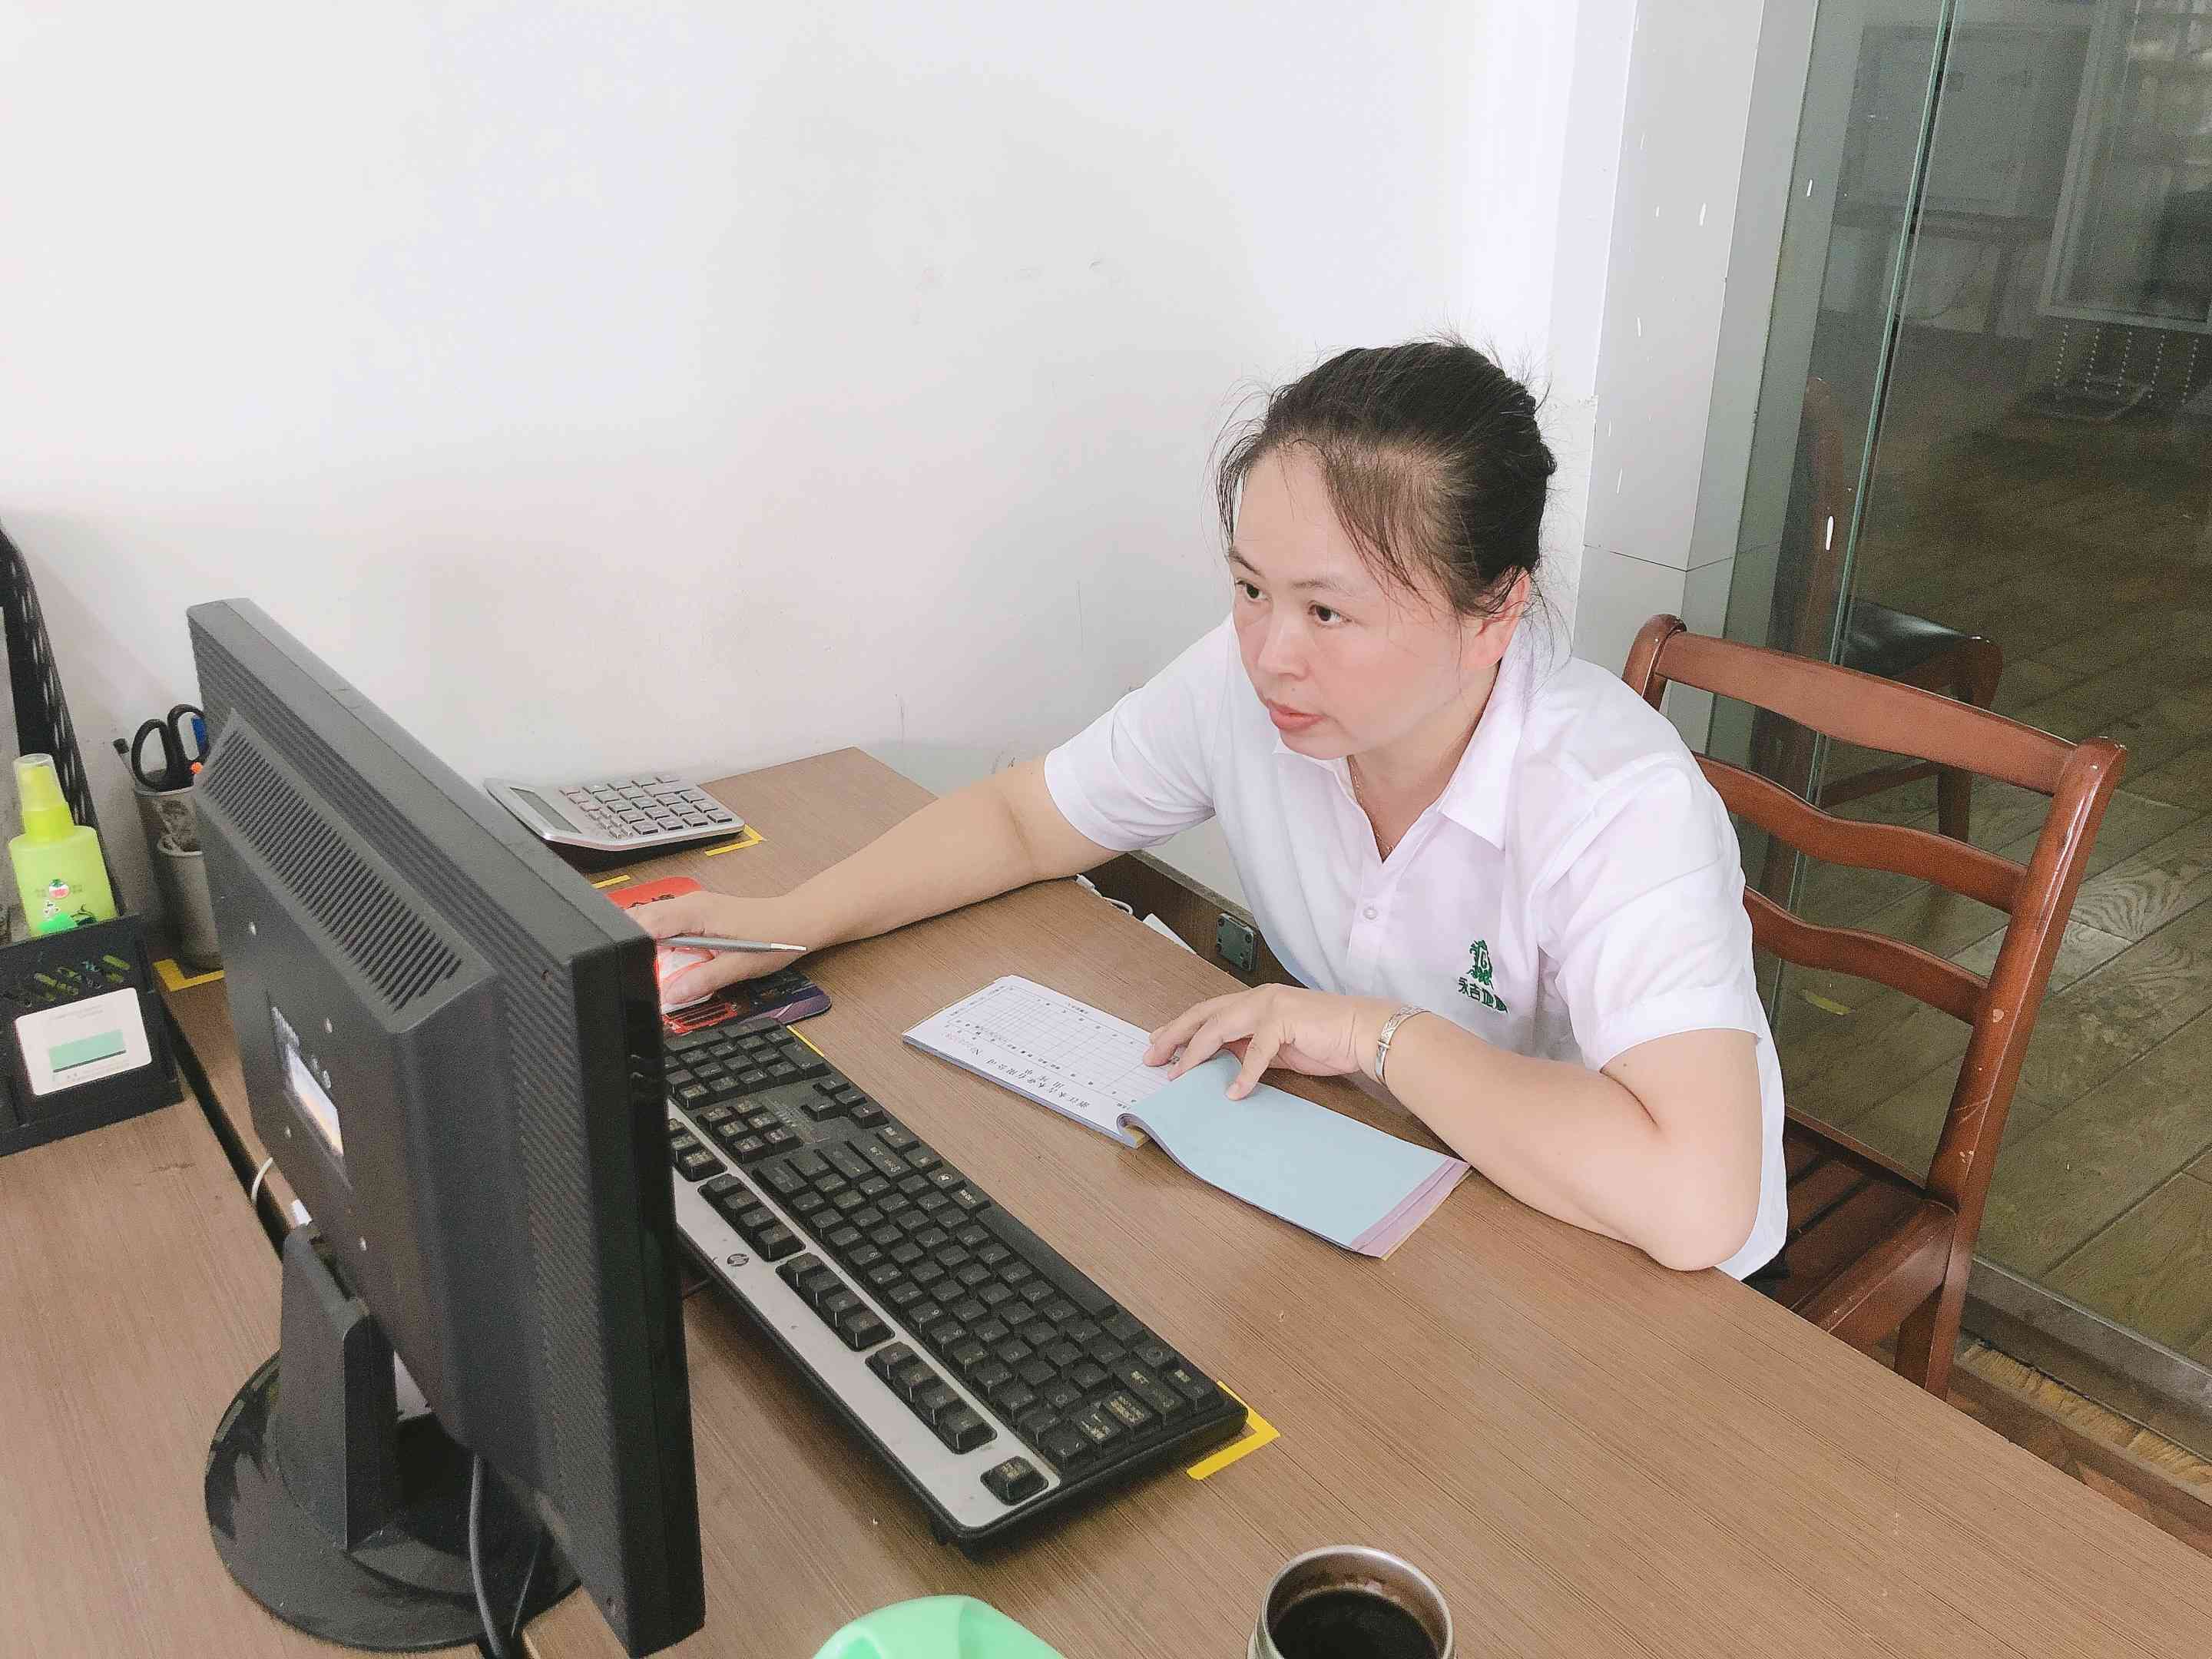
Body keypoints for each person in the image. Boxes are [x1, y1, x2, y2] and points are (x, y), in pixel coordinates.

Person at [644, 339, 1784, 1277]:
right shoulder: (1249, 688)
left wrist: (1371, 1035)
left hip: (1618, 1265)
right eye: (1249, 588)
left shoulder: (1616, 802)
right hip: (1392, 1179)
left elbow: (1695, 1203)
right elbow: (1024, 821)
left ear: (1494, 614)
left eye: (1328, 612)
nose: (1271, 653)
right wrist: (787, 922)